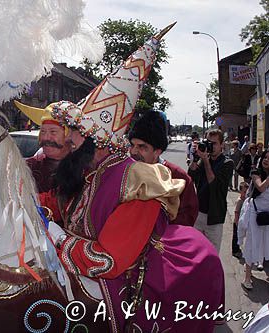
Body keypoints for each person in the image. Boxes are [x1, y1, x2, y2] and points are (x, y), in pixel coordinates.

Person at [45, 26, 224, 331]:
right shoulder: (90, 171)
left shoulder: (138, 181)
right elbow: (62, 208)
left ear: (95, 140)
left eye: (75, 131)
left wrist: (55, 236)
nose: (68, 137)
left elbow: (109, 260)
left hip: (132, 290)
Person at [128, 110, 198, 226]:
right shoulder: (123, 172)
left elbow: (187, 217)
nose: (133, 151)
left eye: (141, 146)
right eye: (132, 145)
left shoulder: (178, 177)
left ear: (157, 152)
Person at [188, 129, 234, 252]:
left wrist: (206, 161)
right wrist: (196, 157)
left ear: (222, 145)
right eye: (208, 142)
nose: (211, 146)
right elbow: (190, 176)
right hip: (199, 213)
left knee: (211, 255)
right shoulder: (203, 159)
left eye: (214, 143)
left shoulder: (227, 163)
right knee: (195, 251)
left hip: (214, 216)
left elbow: (214, 183)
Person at [238, 150, 269, 290]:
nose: (266, 160)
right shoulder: (255, 172)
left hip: (267, 216)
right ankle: (247, 278)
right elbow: (261, 187)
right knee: (251, 243)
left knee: (266, 244)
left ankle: (258, 264)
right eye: (265, 157)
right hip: (254, 213)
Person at [232, 181, 248, 259]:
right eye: (244, 192)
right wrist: (237, 222)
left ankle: (238, 249)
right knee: (236, 237)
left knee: (239, 236)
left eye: (246, 192)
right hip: (237, 222)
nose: (245, 193)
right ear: (240, 191)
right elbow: (236, 212)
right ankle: (235, 251)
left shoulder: (245, 200)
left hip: (241, 222)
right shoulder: (240, 200)